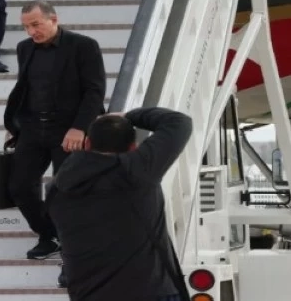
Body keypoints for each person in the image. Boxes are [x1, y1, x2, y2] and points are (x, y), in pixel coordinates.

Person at [46, 107, 193, 301]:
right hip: (149, 291)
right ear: (133, 147)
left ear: (87, 144)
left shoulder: (57, 188)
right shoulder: (137, 171)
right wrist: (130, 116)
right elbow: (178, 122)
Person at [3, 0, 107, 261]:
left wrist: (79, 128)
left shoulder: (84, 45)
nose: (31, 32)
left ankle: (73, 242)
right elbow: (25, 89)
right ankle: (49, 235)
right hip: (32, 128)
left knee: (65, 189)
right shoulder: (25, 48)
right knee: (19, 187)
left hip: (68, 129)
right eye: (26, 27)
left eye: (36, 25)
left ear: (54, 19)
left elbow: (94, 91)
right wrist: (14, 125)